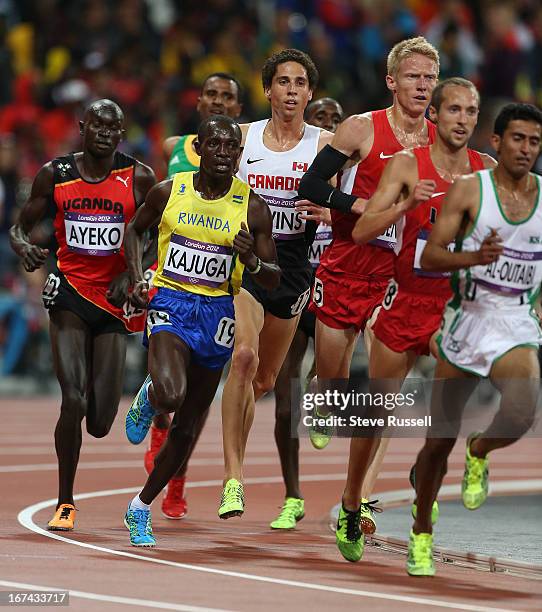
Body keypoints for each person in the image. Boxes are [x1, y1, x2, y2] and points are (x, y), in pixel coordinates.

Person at [333, 78, 495, 562]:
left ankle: (428, 481)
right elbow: (361, 229)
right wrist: (405, 203)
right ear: (437, 116)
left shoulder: (485, 171)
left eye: (471, 111)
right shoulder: (408, 164)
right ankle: (349, 501)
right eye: (454, 110)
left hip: (451, 308)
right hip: (404, 302)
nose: (463, 119)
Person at [298, 36, 439, 531]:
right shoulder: (361, 129)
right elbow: (311, 187)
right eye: (413, 76)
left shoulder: (439, 145)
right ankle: (320, 390)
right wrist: (360, 207)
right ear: (391, 81)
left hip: (394, 280)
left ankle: (357, 503)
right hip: (346, 267)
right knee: (334, 382)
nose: (421, 86)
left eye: (429, 78)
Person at [122, 115, 280, 547]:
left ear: (239, 155)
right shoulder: (170, 191)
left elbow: (272, 279)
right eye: (216, 145)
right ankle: (151, 395)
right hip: (171, 301)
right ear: (200, 148)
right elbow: (134, 233)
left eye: (232, 147)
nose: (225, 154)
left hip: (217, 313)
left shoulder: (253, 207)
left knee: (188, 428)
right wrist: (138, 278)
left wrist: (252, 261)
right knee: (171, 395)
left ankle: (139, 507)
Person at [408, 102, 542, 576]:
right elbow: (431, 257)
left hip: (515, 320)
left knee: (524, 410)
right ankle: (421, 531)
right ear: (498, 142)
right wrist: (475, 259)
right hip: (469, 319)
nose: (526, 149)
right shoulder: (470, 190)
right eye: (518, 139)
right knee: (436, 442)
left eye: (534, 141)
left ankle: (480, 450)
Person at [9, 99, 156, 531]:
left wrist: (133, 272)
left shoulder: (138, 177)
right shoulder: (56, 175)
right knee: (72, 399)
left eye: (114, 128)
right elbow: (19, 227)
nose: (105, 134)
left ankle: (127, 394)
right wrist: (25, 247)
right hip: (69, 294)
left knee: (99, 423)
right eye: (97, 126)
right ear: (82, 127)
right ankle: (66, 501)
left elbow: (157, 235)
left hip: (112, 302)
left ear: (122, 133)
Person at [218, 49, 334, 520]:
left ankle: (231, 459)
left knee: (264, 380)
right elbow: (207, 174)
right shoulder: (243, 138)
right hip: (246, 258)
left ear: (310, 92)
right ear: (268, 89)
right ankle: (233, 481)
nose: (290, 91)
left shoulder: (326, 144)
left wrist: (334, 211)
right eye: (282, 82)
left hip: (294, 267)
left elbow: (366, 194)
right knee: (242, 359)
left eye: (299, 83)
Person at [145, 72, 243, 521]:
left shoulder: (239, 152)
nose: (220, 102)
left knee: (198, 395)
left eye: (228, 97)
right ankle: (156, 412)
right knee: (170, 382)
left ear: (238, 110)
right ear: (199, 100)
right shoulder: (174, 149)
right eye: (213, 94)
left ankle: (177, 476)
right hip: (172, 276)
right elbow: (158, 212)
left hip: (223, 283)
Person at [271, 97, 344, 530]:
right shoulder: (293, 171)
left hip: (335, 289)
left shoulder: (354, 176)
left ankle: (322, 389)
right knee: (284, 399)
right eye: (321, 120)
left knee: (325, 374)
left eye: (336, 121)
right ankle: (292, 495)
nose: (329, 128)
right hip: (298, 286)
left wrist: (337, 218)